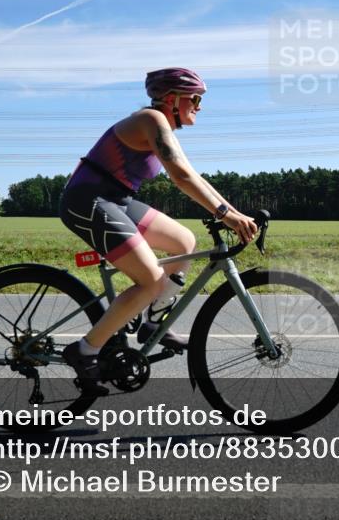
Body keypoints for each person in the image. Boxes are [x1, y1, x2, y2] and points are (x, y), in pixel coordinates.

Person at [58, 68, 258, 395]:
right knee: (150, 279)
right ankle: (85, 351)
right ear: (171, 99)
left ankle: (154, 324)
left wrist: (234, 214)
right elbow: (180, 176)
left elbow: (193, 175)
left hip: (117, 199)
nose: (200, 106)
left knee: (183, 242)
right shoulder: (151, 120)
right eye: (195, 99)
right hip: (87, 199)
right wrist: (225, 215)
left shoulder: (161, 125)